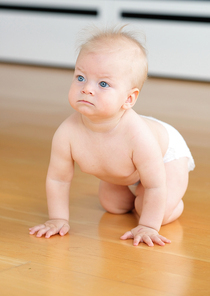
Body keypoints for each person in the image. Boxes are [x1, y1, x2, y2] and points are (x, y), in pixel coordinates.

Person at [29, 26, 195, 247]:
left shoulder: (138, 136)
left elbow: (156, 185)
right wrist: (58, 218)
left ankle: (172, 203)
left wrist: (148, 225)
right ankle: (137, 192)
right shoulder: (66, 133)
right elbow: (58, 179)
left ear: (128, 99)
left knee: (155, 211)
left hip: (165, 158)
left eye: (103, 84)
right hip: (123, 169)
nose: (87, 89)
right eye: (80, 77)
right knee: (113, 205)